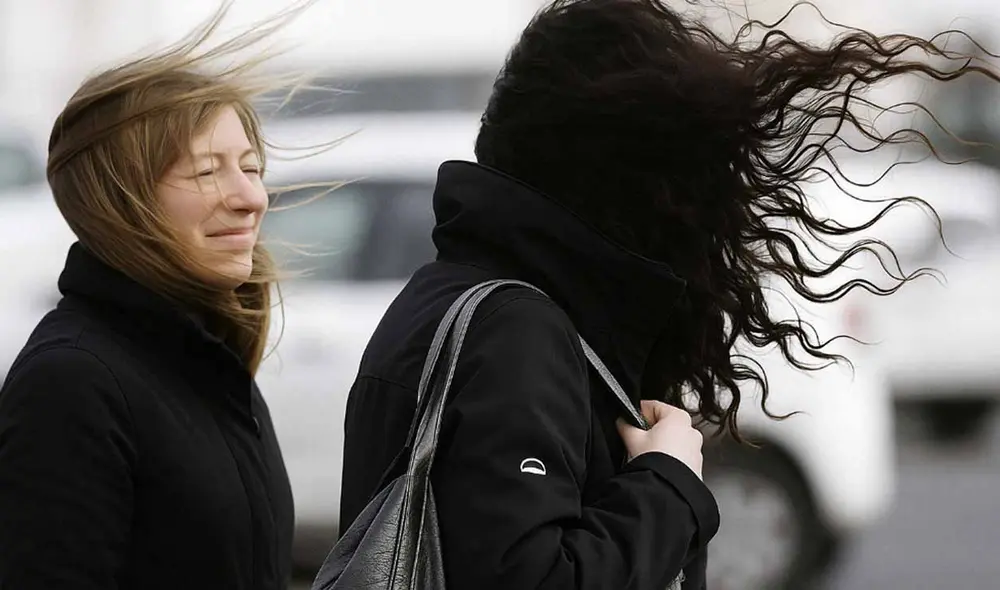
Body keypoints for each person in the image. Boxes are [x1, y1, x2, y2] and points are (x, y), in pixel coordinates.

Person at [338, 1, 991, 589]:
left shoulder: (447, 297)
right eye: (688, 180)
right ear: (634, 179)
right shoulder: (515, 331)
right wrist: (668, 484)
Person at [0, 3, 320, 589]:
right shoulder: (74, 381)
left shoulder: (205, 363)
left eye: (251, 168)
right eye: (207, 172)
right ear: (122, 201)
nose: (250, 198)